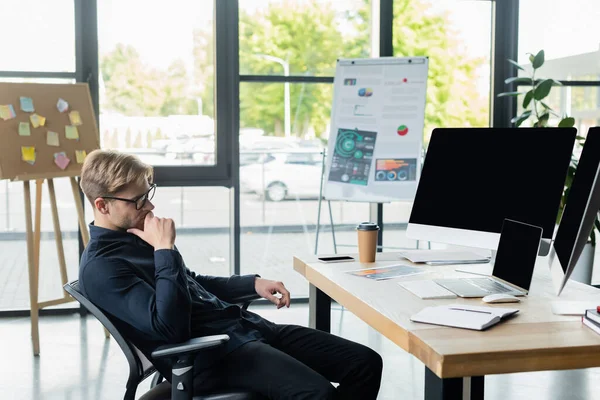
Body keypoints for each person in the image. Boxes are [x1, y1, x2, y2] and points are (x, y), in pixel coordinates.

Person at [78, 149, 383, 400]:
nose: (150, 205)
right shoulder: (103, 267)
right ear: (102, 205)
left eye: (148, 194)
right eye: (138, 200)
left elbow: (191, 283)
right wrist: (164, 250)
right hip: (214, 355)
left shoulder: (136, 233)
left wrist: (251, 284)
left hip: (244, 329)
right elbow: (169, 328)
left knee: (365, 363)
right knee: (318, 395)